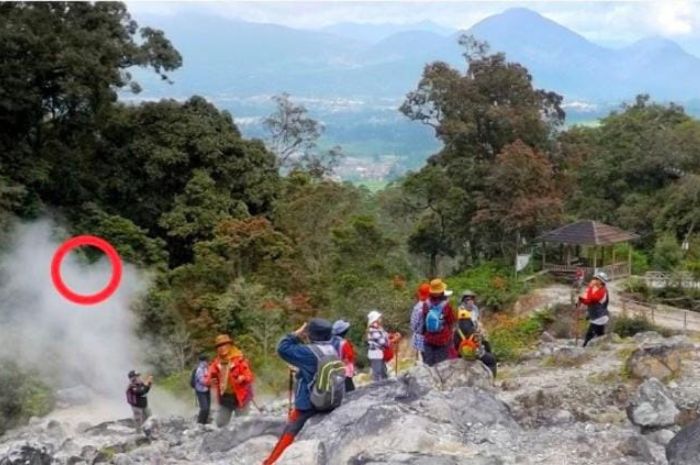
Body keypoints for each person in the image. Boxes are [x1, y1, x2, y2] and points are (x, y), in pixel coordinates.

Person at [262, 318, 341, 465]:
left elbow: (282, 348)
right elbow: (316, 369)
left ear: (311, 334)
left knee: (290, 430)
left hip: (309, 403)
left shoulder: (308, 352)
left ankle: (271, 462)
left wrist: (296, 334)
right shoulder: (331, 348)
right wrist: (301, 370)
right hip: (329, 398)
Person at [207, 334, 255, 428]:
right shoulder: (216, 362)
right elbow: (208, 376)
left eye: (224, 345)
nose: (222, 348)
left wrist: (242, 378)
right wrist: (209, 381)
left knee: (243, 424)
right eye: (219, 346)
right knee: (221, 423)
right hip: (225, 397)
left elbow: (249, 376)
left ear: (230, 345)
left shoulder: (240, 359)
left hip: (241, 397)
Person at [452, 309, 497, 376]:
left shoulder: (456, 332)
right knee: (492, 360)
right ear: (469, 319)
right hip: (476, 356)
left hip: (462, 356)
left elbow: (455, 347)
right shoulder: (475, 330)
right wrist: (488, 352)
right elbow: (485, 343)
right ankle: (491, 378)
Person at [422, 278, 456, 367]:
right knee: (440, 365)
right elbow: (451, 320)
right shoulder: (446, 305)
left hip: (429, 338)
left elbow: (424, 319)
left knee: (429, 365)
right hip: (443, 339)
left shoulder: (426, 304)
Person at [579, 271, 610, 347]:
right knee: (600, 334)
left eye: (596, 279)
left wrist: (590, 287)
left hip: (599, 317)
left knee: (589, 335)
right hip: (598, 315)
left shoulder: (602, 291)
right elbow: (588, 300)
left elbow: (589, 300)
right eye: (595, 278)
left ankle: (584, 348)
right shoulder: (598, 289)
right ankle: (602, 347)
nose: (594, 280)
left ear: (601, 281)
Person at [331, 319, 356, 392]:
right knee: (350, 389)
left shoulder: (331, 341)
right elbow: (349, 356)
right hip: (345, 369)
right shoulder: (344, 343)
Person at [367, 310, 390, 382]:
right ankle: (378, 387)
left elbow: (385, 335)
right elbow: (382, 342)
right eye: (379, 318)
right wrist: (389, 343)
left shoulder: (378, 328)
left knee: (383, 370)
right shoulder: (373, 329)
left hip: (379, 352)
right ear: (375, 319)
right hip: (375, 353)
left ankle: (385, 383)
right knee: (377, 372)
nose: (380, 319)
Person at [410, 283, 431, 361]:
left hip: (422, 339)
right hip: (434, 337)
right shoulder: (434, 304)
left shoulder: (418, 307)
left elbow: (413, 325)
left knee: (425, 360)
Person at [191, 354, 211, 425]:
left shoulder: (207, 368)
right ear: (203, 361)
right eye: (206, 360)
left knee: (207, 408)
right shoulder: (199, 369)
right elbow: (202, 381)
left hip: (207, 390)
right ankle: (200, 423)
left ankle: (205, 422)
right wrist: (210, 382)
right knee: (204, 408)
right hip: (200, 391)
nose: (207, 362)